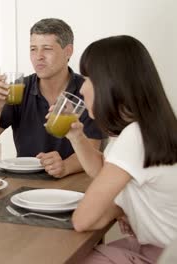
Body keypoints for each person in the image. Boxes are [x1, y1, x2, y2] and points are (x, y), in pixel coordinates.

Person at [67, 35, 177, 263]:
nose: (82, 89)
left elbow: (83, 220)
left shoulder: (134, 137)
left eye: (88, 79)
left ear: (110, 83)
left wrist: (117, 207)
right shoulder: (147, 127)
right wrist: (77, 136)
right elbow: (103, 171)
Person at [0, 18, 104, 178]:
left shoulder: (87, 91)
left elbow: (93, 149)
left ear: (68, 51)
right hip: (24, 180)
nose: (39, 57)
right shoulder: (20, 88)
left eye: (47, 49)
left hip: (72, 180)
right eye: (33, 49)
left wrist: (64, 166)